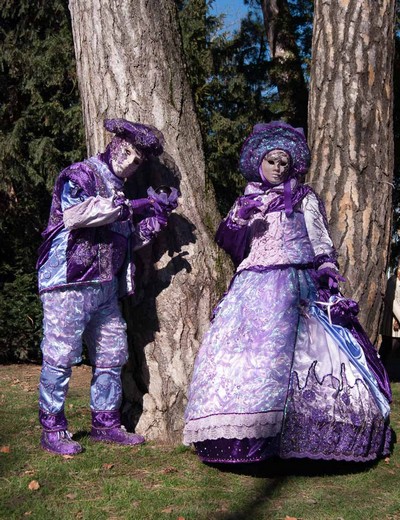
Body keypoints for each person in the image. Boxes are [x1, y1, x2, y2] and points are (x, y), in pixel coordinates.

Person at [183, 121, 392, 463]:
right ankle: (243, 437)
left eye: (284, 163)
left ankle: (304, 438)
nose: (278, 168)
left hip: (297, 281)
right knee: (249, 358)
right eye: (272, 161)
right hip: (251, 287)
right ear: (259, 163)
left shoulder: (302, 197)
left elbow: (319, 236)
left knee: (304, 355)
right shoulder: (246, 199)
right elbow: (232, 245)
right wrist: (239, 218)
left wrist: (326, 266)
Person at [37, 118, 178, 455]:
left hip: (105, 287)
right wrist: (137, 206)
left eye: (138, 159)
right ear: (114, 143)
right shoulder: (80, 174)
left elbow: (124, 242)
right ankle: (52, 427)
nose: (130, 161)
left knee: (112, 354)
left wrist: (152, 223)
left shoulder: (120, 192)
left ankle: (105, 422)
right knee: (61, 355)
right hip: (67, 283)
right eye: (127, 151)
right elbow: (78, 214)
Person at [380, 266, 400, 378]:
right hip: (391, 322)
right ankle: (381, 372)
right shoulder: (392, 281)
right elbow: (392, 301)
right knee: (387, 348)